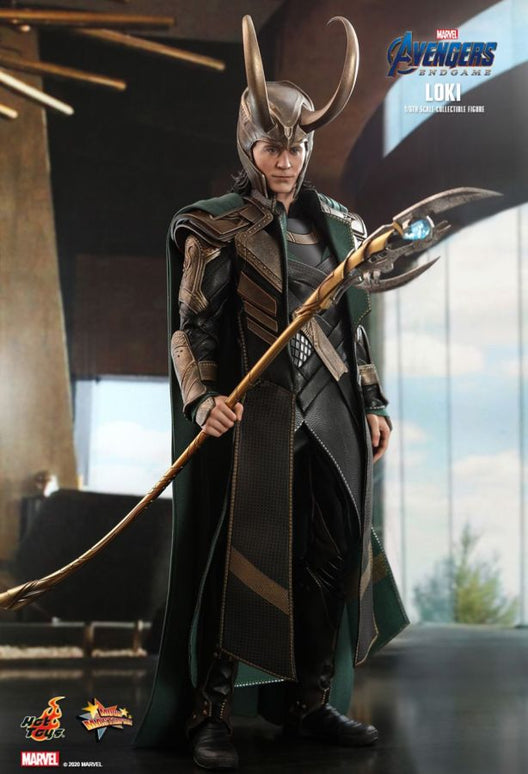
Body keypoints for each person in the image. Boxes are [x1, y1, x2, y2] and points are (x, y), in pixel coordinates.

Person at [136, 15, 408, 769]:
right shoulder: (214, 228)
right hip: (255, 419)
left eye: (296, 148)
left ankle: (307, 704)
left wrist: (373, 403)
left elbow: (354, 329)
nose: (285, 161)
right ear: (247, 145)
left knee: (330, 558)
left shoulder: (339, 229)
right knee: (244, 560)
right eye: (271, 146)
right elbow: (191, 330)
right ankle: (210, 712)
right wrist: (202, 400)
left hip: (332, 417)